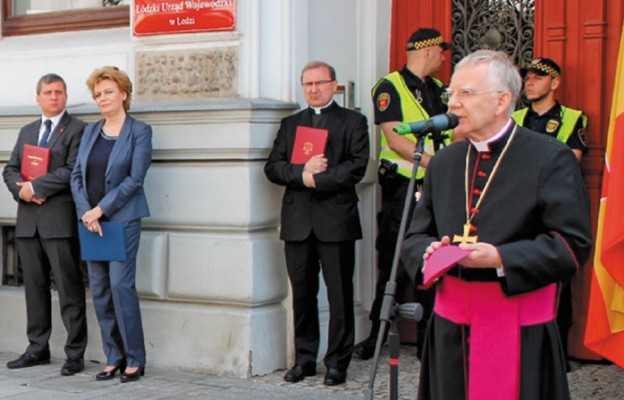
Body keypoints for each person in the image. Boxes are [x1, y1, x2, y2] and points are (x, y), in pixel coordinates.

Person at [401, 50, 592, 400]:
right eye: (451, 94)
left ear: (502, 100)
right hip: (450, 327)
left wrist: (501, 258)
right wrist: (426, 253)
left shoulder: (550, 158)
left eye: (466, 94)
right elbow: (414, 235)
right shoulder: (444, 162)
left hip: (518, 326)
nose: (453, 103)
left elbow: (572, 244)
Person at [264, 61, 369, 386]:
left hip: (336, 221)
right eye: (307, 83)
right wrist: (302, 175)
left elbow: (357, 167)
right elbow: (273, 167)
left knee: (339, 294)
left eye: (320, 83)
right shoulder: (290, 123)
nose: (313, 89)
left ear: (333, 84)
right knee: (303, 294)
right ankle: (305, 359)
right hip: (298, 222)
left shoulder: (353, 121)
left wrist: (317, 180)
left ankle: (338, 362)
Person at [354, 28, 451, 361]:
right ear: (426, 51)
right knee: (393, 259)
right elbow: (395, 140)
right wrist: (437, 165)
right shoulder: (390, 86)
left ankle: (427, 338)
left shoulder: (439, 90)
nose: (443, 56)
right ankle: (378, 334)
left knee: (433, 258)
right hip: (403, 187)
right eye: (441, 50)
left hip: (436, 188)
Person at [70, 66, 152, 383]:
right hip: (90, 222)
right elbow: (77, 175)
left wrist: (101, 209)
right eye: (98, 94)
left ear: (123, 94)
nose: (102, 98)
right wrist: (86, 212)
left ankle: (135, 357)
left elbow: (135, 179)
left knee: (121, 287)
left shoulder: (139, 131)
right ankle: (113, 356)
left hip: (122, 220)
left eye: (108, 91)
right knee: (101, 291)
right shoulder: (90, 131)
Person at [3, 73, 88, 376]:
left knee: (69, 289)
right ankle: (37, 348)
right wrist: (21, 189)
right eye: (48, 92)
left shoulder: (78, 129)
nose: (54, 97)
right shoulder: (27, 130)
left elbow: (72, 170)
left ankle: (75, 353)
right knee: (34, 290)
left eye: (59, 92)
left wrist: (35, 187)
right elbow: (10, 169)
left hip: (59, 222)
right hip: (28, 223)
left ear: (65, 96)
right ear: (38, 97)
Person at [513, 57, 588, 368]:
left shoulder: (573, 118)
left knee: (558, 276)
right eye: (527, 77)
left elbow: (570, 162)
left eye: (538, 77)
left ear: (555, 82)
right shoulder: (513, 116)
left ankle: (556, 351)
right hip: (516, 208)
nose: (530, 82)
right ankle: (519, 345)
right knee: (517, 270)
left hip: (553, 208)